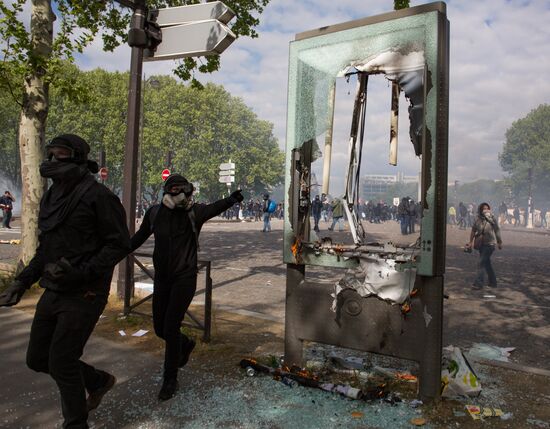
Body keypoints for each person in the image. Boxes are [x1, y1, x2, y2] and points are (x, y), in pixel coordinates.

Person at [0, 134, 131, 429]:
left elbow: (120, 244)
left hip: (85, 292)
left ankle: (76, 424)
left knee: (62, 361)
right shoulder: (51, 196)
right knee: (37, 358)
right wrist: (21, 284)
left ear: (78, 159)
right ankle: (97, 381)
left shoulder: (99, 197)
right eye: (51, 154)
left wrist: (82, 272)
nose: (52, 161)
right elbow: (46, 249)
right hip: (55, 288)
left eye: (61, 155)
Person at [130, 174, 243, 401]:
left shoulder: (195, 213)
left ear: (189, 191)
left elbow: (215, 207)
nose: (177, 193)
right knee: (159, 329)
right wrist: (114, 252)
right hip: (162, 279)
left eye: (181, 189)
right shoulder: (154, 213)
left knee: (170, 328)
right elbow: (139, 238)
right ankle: (186, 343)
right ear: (165, 192)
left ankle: (170, 379)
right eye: (172, 189)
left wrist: (232, 199)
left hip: (185, 278)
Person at [467, 202, 503, 290]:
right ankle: (493, 282)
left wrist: (499, 242)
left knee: (481, 263)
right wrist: (470, 242)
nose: (485, 210)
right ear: (480, 210)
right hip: (481, 244)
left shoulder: (492, 218)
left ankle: (478, 283)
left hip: (490, 244)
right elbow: (473, 230)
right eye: (484, 208)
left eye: (487, 208)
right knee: (487, 264)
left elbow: (497, 230)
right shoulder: (478, 219)